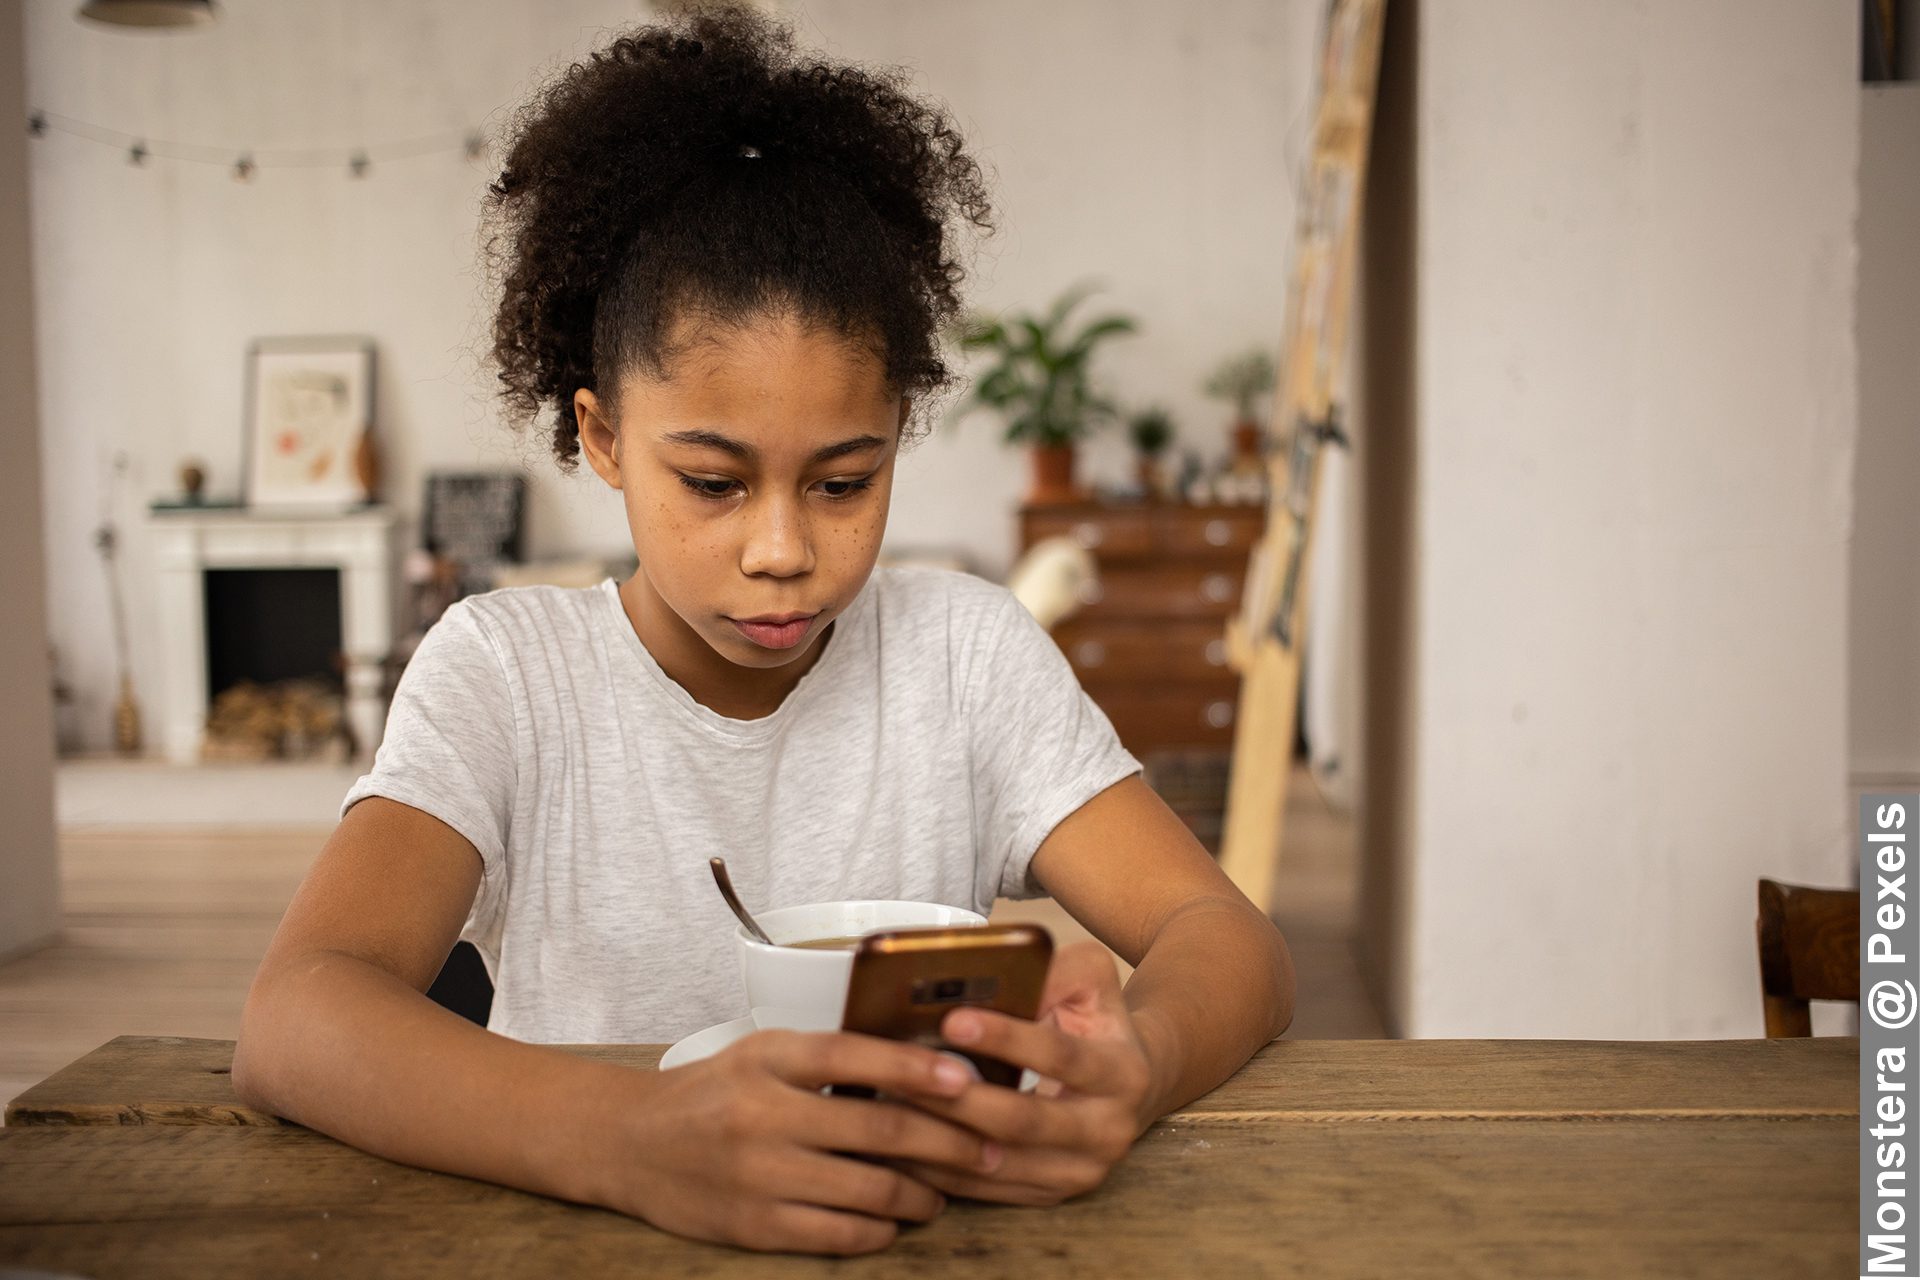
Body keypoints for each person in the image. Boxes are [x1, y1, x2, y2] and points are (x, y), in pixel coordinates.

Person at [233, 5, 1294, 1257]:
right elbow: (294, 1016)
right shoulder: (507, 675)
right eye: (715, 482)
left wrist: (1143, 1057)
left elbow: (1228, 940)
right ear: (604, 436)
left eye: (844, 482)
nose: (784, 547)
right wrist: (632, 1135)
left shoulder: (966, 658)